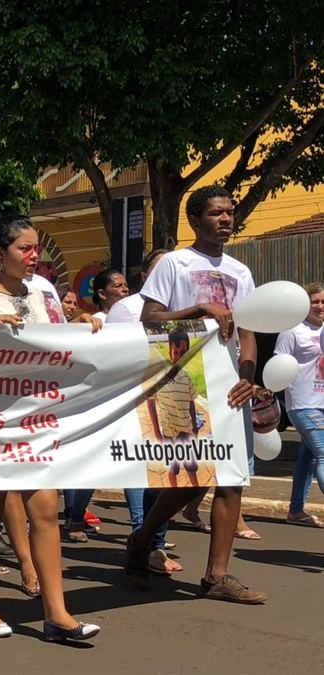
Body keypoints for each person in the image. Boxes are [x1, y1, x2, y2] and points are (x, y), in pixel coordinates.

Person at [0, 213, 99, 642]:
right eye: (25, 248)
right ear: (1, 254)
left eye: (37, 248)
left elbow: (53, 345)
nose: (35, 256)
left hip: (37, 419)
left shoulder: (41, 294)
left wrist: (84, 327)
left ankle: (57, 613)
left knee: (46, 512)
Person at [128, 185, 266, 604]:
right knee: (190, 479)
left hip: (230, 385)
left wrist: (247, 374)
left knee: (231, 479)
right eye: (216, 213)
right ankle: (143, 537)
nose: (226, 220)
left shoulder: (241, 272)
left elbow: (248, 331)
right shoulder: (174, 263)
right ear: (195, 220)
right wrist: (197, 310)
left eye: (230, 213)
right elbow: (149, 319)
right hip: (185, 380)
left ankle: (216, 576)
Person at [106, 249, 181, 575]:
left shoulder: (183, 304)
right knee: (144, 471)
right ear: (148, 274)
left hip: (175, 401)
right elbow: (117, 354)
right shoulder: (127, 308)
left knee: (168, 475)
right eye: (163, 267)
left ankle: (151, 540)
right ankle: (147, 539)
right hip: (137, 399)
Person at [276, 282, 324, 527]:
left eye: (323, 302)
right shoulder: (293, 331)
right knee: (323, 454)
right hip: (303, 403)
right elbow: (278, 364)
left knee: (309, 458)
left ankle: (295, 510)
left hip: (323, 403)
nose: (319, 306)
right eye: (314, 301)